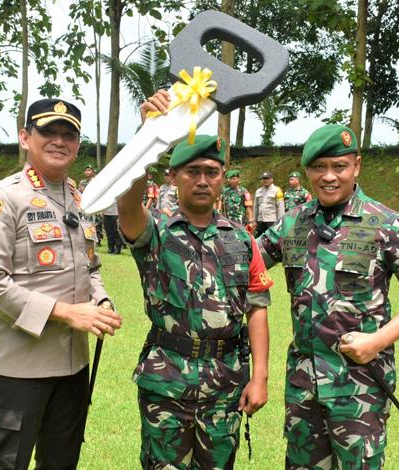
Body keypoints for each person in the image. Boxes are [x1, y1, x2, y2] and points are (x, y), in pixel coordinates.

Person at [257, 124, 399, 469]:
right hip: (303, 386)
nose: (329, 177)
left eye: (339, 166)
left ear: (356, 166)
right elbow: (242, 262)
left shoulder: (385, 224)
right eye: (319, 167)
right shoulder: (291, 224)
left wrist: (377, 340)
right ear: (307, 171)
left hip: (360, 386)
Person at [120, 89, 274, 470]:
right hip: (166, 381)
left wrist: (260, 378)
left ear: (222, 177)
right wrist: (147, 134)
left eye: (211, 172)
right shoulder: (156, 231)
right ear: (173, 176)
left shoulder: (242, 239)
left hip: (225, 385)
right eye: (193, 171)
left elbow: (256, 310)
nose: (203, 180)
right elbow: (126, 206)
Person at [0, 98, 123, 470]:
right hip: (21, 370)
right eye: (48, 132)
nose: (59, 140)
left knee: (61, 463)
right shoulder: (3, 199)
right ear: (25, 137)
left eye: (68, 134)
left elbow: (91, 266)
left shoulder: (81, 200)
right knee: (9, 465)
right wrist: (68, 313)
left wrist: (100, 302)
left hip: (73, 369)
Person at [253, 171, 284, 237]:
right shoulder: (258, 191)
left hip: (272, 220)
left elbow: (280, 207)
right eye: (263, 179)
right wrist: (254, 220)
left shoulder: (277, 190)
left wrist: (280, 222)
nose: (265, 180)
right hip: (260, 220)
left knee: (272, 240)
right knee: (258, 240)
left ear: (271, 179)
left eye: (267, 178)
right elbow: (255, 207)